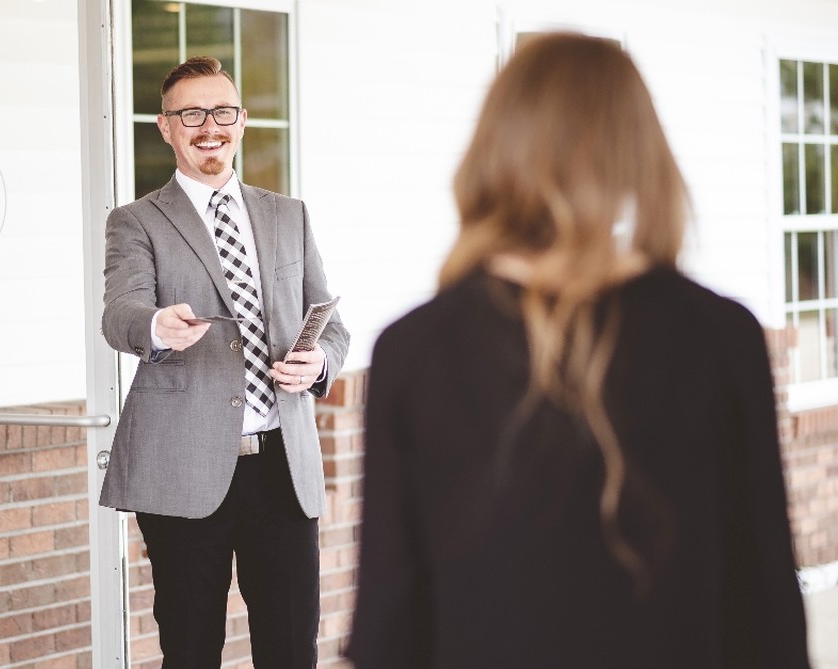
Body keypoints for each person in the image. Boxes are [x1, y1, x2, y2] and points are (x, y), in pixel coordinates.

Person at [346, 33, 811, 668]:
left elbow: (389, 630)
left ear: (497, 146)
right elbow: (768, 617)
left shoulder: (414, 350)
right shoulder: (721, 337)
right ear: (637, 150)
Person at [99, 56, 350, 668]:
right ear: (166, 127)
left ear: (241, 122)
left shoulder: (288, 214)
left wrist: (317, 362)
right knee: (190, 650)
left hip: (283, 471)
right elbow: (120, 313)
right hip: (183, 472)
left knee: (292, 651)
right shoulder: (136, 221)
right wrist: (156, 325)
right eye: (190, 114)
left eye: (221, 112)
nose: (207, 126)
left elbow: (333, 327)